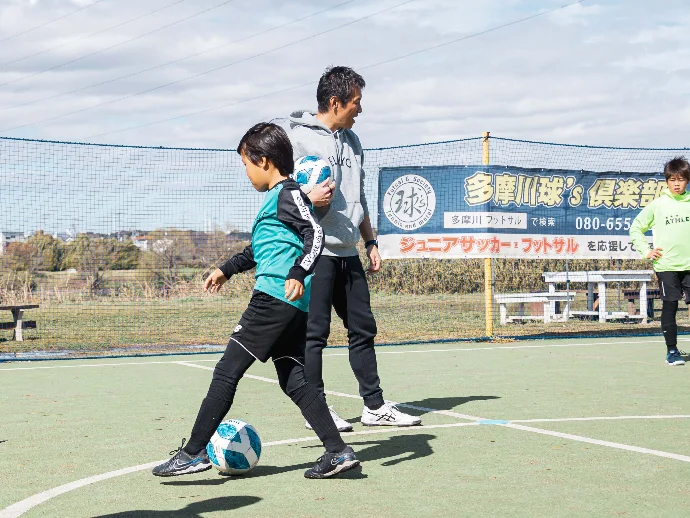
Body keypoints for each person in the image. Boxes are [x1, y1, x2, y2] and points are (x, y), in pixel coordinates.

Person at [152, 123, 359, 479]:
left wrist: (297, 271)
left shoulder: (289, 194)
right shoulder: (277, 199)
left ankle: (193, 452)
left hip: (274, 298)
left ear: (263, 161)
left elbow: (316, 233)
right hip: (291, 305)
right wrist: (226, 269)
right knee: (294, 379)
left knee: (226, 371)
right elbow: (260, 250)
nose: (245, 173)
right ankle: (337, 451)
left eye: (246, 165)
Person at [277, 66, 421, 431]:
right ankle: (317, 410)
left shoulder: (353, 142)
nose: (360, 109)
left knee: (363, 328)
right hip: (317, 250)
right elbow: (283, 193)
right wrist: (309, 197)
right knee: (315, 335)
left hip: (348, 250)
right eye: (356, 102)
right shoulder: (297, 142)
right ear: (335, 101)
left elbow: (359, 197)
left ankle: (374, 406)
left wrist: (370, 240)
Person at [630, 156, 690, 366]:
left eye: (681, 179)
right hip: (667, 266)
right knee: (670, 306)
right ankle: (672, 351)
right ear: (666, 181)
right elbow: (636, 227)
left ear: (687, 181)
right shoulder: (658, 205)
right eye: (672, 179)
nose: (676, 183)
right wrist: (646, 251)